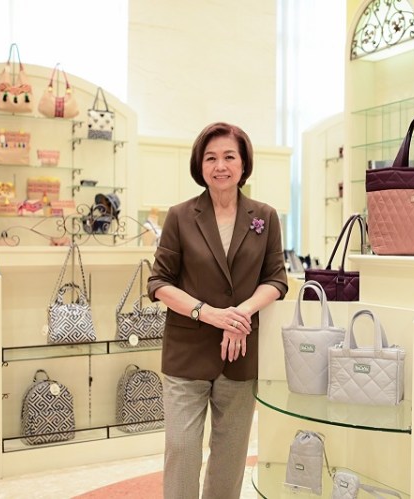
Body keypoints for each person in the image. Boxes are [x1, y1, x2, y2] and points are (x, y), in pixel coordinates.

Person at [147, 122, 288, 498]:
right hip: (186, 354)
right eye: (211, 158)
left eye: (229, 157)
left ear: (243, 164)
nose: (220, 165)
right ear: (200, 165)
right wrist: (209, 313)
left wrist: (239, 315)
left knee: (230, 457)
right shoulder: (180, 216)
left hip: (239, 353)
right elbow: (159, 283)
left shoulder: (265, 216)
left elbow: (276, 279)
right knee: (182, 451)